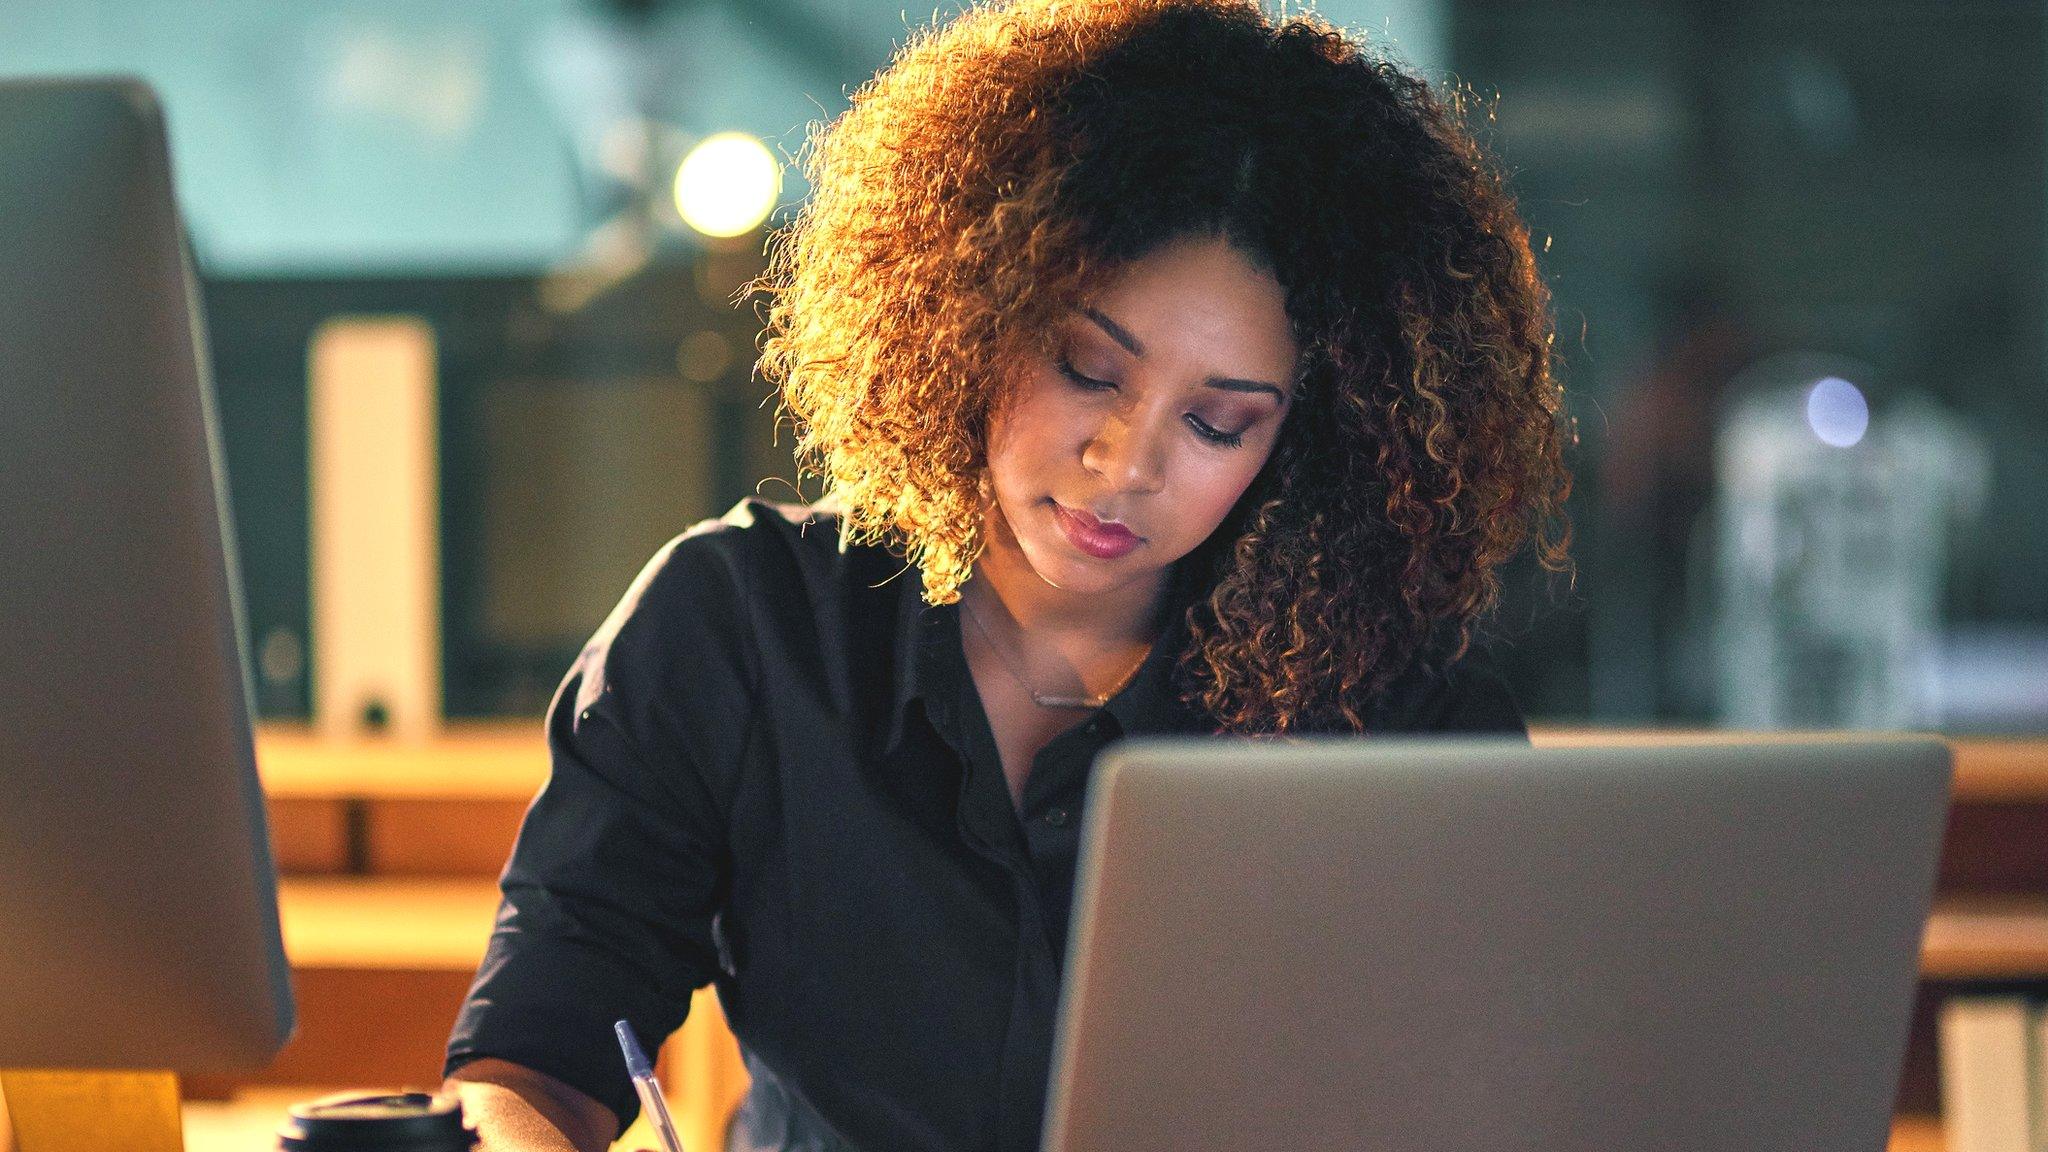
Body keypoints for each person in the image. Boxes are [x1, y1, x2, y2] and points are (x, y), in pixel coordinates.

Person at [441, 0, 1574, 1149]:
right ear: (970, 314)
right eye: (1086, 368)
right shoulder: (745, 624)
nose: (1124, 463)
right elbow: (531, 1057)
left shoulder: (1395, 719)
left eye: (1218, 424)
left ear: (1307, 444)